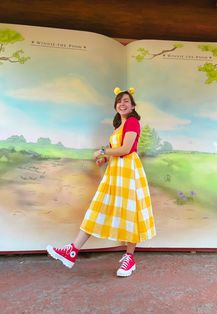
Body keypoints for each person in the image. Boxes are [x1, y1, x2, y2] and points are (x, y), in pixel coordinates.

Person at [46, 87, 156, 277]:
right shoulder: (118, 127)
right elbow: (116, 150)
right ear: (115, 106)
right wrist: (104, 159)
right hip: (115, 173)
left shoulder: (133, 122)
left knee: (130, 212)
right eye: (119, 101)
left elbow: (126, 149)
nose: (122, 103)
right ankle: (72, 251)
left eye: (126, 101)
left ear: (133, 106)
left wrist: (103, 151)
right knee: (98, 208)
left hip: (129, 172)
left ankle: (129, 258)